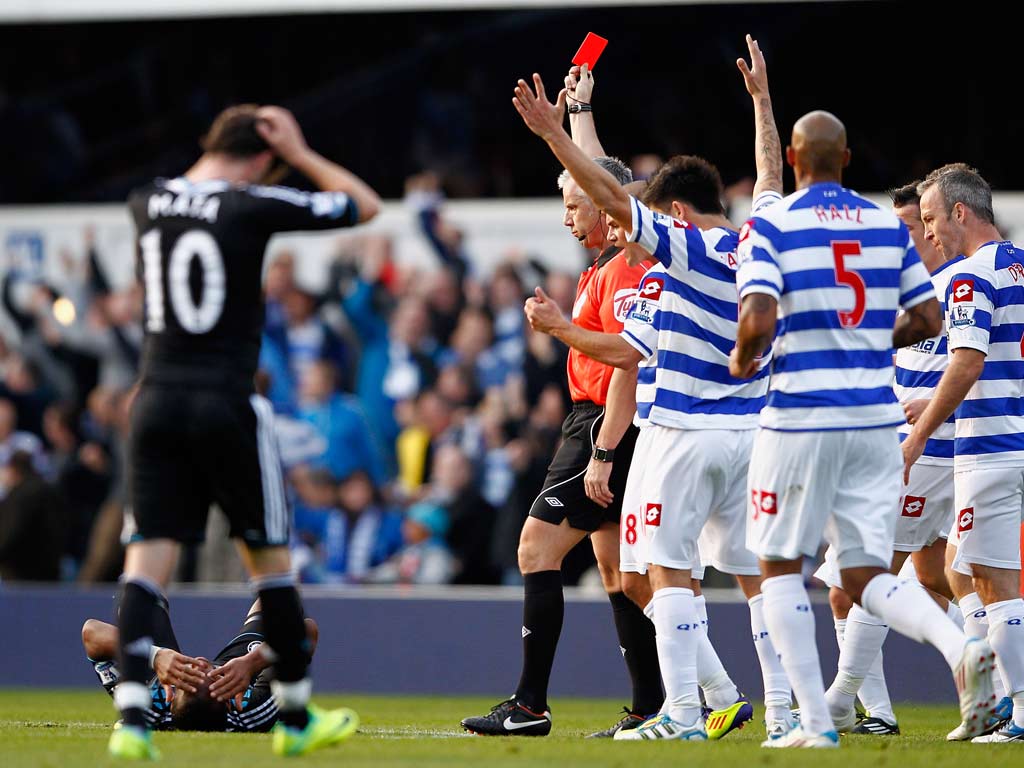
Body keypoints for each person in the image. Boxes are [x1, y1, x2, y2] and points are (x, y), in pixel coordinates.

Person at [515, 35, 792, 741]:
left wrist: (556, 133)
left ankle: (681, 715)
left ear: (673, 213)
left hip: (684, 430)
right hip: (752, 436)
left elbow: (613, 195)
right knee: (760, 575)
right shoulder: (760, 237)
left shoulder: (682, 252)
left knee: (664, 571)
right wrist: (762, 101)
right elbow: (768, 177)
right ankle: (786, 710)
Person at [111, 103, 380, 760]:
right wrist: (301, 151)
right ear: (263, 156)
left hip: (153, 400)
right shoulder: (252, 202)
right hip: (226, 400)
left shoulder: (145, 202)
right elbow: (363, 206)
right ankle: (294, 721)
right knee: (271, 566)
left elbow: (189, 194)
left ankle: (131, 725)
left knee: (145, 563)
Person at [731, 112, 996, 748]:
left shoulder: (775, 221)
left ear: (795, 160)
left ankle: (816, 724)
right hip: (875, 420)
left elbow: (760, 314)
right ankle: (960, 647)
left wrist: (744, 357)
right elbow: (929, 317)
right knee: (863, 573)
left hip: (801, 415)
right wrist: (869, 338)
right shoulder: (884, 225)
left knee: (778, 567)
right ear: (846, 158)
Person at [460, 81, 662, 738]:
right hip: (605, 421)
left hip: (604, 420)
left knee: (535, 547)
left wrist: (602, 443)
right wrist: (579, 111)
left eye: (576, 204)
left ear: (609, 209)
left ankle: (529, 704)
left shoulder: (627, 263)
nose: (567, 215)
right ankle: (652, 706)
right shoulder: (607, 262)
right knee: (618, 573)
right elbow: (598, 172)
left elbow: (626, 358)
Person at [811, 181, 966, 737]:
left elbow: (970, 367)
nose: (912, 236)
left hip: (928, 452)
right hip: (901, 448)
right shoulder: (901, 298)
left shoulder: (956, 288)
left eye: (916, 225)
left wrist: (925, 412)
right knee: (939, 579)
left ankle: (842, 701)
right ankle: (974, 662)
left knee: (864, 575)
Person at [902, 163, 1024, 743]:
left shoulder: (968, 276)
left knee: (997, 585)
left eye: (930, 219)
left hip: (991, 447)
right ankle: (1000, 704)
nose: (928, 233)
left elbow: (968, 360)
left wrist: (920, 431)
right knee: (968, 571)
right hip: (1014, 439)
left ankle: (1017, 713)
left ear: (960, 212)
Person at [83, 600, 318, 733]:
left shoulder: (150, 702)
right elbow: (307, 631)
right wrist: (251, 662)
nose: (202, 662)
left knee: (137, 602)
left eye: (188, 675)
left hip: (166, 669)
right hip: (234, 673)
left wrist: (156, 656)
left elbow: (91, 632)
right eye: (207, 673)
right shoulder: (252, 709)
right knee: (282, 604)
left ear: (171, 694)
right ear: (228, 699)